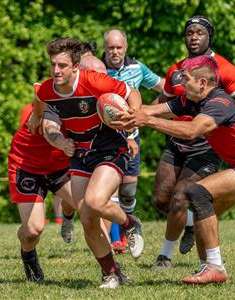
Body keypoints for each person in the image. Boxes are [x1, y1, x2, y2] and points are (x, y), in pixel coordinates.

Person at [118, 55, 235, 284]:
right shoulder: (190, 100)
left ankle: (214, 267)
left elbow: (192, 130)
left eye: (186, 78)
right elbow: (152, 109)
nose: (181, 83)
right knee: (204, 204)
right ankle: (208, 268)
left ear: (202, 83)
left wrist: (147, 121)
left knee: (198, 192)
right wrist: (121, 112)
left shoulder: (219, 103)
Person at [31, 38, 143, 289]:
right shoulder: (49, 88)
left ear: (75, 67)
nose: (56, 71)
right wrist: (40, 121)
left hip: (109, 146)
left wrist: (133, 118)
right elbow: (39, 97)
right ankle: (111, 274)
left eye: (62, 65)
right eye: (53, 65)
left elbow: (132, 93)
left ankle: (129, 224)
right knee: (88, 216)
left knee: (95, 201)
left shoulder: (94, 81)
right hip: (80, 151)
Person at [150, 16, 235, 268]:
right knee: (160, 201)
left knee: (180, 197)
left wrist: (214, 122)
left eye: (200, 32)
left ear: (209, 36)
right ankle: (190, 223)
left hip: (206, 145)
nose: (194, 37)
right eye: (189, 33)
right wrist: (137, 117)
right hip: (177, 142)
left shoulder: (223, 68)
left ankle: (164, 256)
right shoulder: (176, 70)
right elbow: (162, 105)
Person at [102, 29, 165, 252]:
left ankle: (129, 230)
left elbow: (165, 87)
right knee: (110, 191)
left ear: (126, 46)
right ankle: (114, 240)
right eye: (111, 48)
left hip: (133, 139)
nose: (115, 52)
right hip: (106, 140)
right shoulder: (99, 70)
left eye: (119, 47)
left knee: (128, 192)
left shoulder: (137, 68)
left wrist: (150, 110)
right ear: (105, 48)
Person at [8, 83, 76, 283]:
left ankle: (68, 218)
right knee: (32, 231)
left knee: (87, 205)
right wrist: (62, 142)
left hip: (61, 165)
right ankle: (29, 256)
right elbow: (45, 129)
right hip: (28, 165)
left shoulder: (81, 103)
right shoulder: (33, 110)